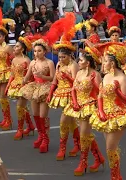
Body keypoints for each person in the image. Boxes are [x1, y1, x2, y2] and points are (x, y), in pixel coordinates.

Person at [89, 42, 126, 179]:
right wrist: (100, 111)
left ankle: (115, 177)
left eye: (105, 61)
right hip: (105, 114)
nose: (102, 63)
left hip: (119, 115)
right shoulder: (106, 77)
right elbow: (100, 95)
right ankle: (116, 176)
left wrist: (118, 92)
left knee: (110, 149)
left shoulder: (123, 79)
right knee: (110, 148)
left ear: (112, 63)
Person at [63, 45, 105, 175]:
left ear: (88, 63)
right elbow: (73, 89)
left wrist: (95, 83)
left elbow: (101, 92)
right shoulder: (80, 73)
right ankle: (98, 158)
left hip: (89, 105)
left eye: (81, 60)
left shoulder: (95, 74)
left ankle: (83, 162)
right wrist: (74, 103)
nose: (78, 62)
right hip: (78, 105)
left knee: (83, 135)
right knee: (85, 134)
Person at [47, 13, 80, 160]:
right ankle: (78, 144)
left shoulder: (74, 65)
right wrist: (50, 92)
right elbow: (54, 79)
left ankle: (62, 148)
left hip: (71, 95)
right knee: (71, 122)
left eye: (63, 57)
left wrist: (68, 77)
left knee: (63, 122)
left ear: (70, 56)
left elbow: (76, 83)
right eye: (59, 57)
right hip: (61, 94)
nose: (60, 59)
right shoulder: (59, 64)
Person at [19, 38, 55, 153]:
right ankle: (40, 135)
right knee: (35, 114)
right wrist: (22, 81)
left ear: (44, 51)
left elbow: (53, 78)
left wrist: (43, 76)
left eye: (39, 51)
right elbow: (28, 76)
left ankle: (45, 139)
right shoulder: (33, 63)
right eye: (35, 51)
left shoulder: (49, 62)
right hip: (35, 88)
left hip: (45, 88)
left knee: (42, 115)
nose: (36, 53)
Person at [5, 36, 34, 140]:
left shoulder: (27, 60)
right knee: (22, 107)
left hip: (24, 85)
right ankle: (30, 126)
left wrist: (27, 85)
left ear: (22, 49)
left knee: (19, 107)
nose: (14, 48)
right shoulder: (14, 60)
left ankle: (20, 129)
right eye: (15, 46)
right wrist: (8, 86)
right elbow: (12, 75)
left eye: (17, 47)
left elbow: (31, 75)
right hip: (15, 85)